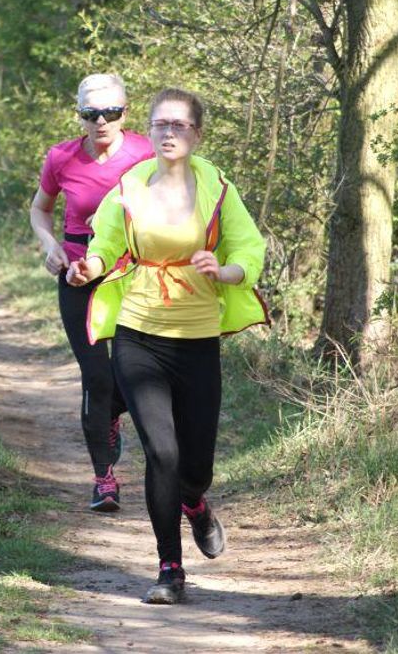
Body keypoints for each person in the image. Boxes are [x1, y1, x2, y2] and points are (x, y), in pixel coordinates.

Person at [66, 88, 268, 604]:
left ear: (197, 134)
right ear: (150, 131)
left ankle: (196, 504)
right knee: (162, 452)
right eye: (161, 124)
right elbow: (105, 243)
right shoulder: (129, 188)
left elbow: (248, 245)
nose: (169, 132)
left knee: (195, 466)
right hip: (138, 334)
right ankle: (170, 570)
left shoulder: (217, 187)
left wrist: (226, 270)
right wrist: (88, 266)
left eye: (180, 125)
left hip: (197, 337)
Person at [29, 73, 154, 512]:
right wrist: (51, 247)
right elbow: (41, 209)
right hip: (78, 271)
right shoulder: (61, 157)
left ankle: (113, 415)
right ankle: (104, 479)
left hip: (132, 274)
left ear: (125, 112)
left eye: (111, 113)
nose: (101, 122)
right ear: (79, 115)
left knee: (130, 370)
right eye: (91, 114)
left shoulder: (147, 154)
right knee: (96, 376)